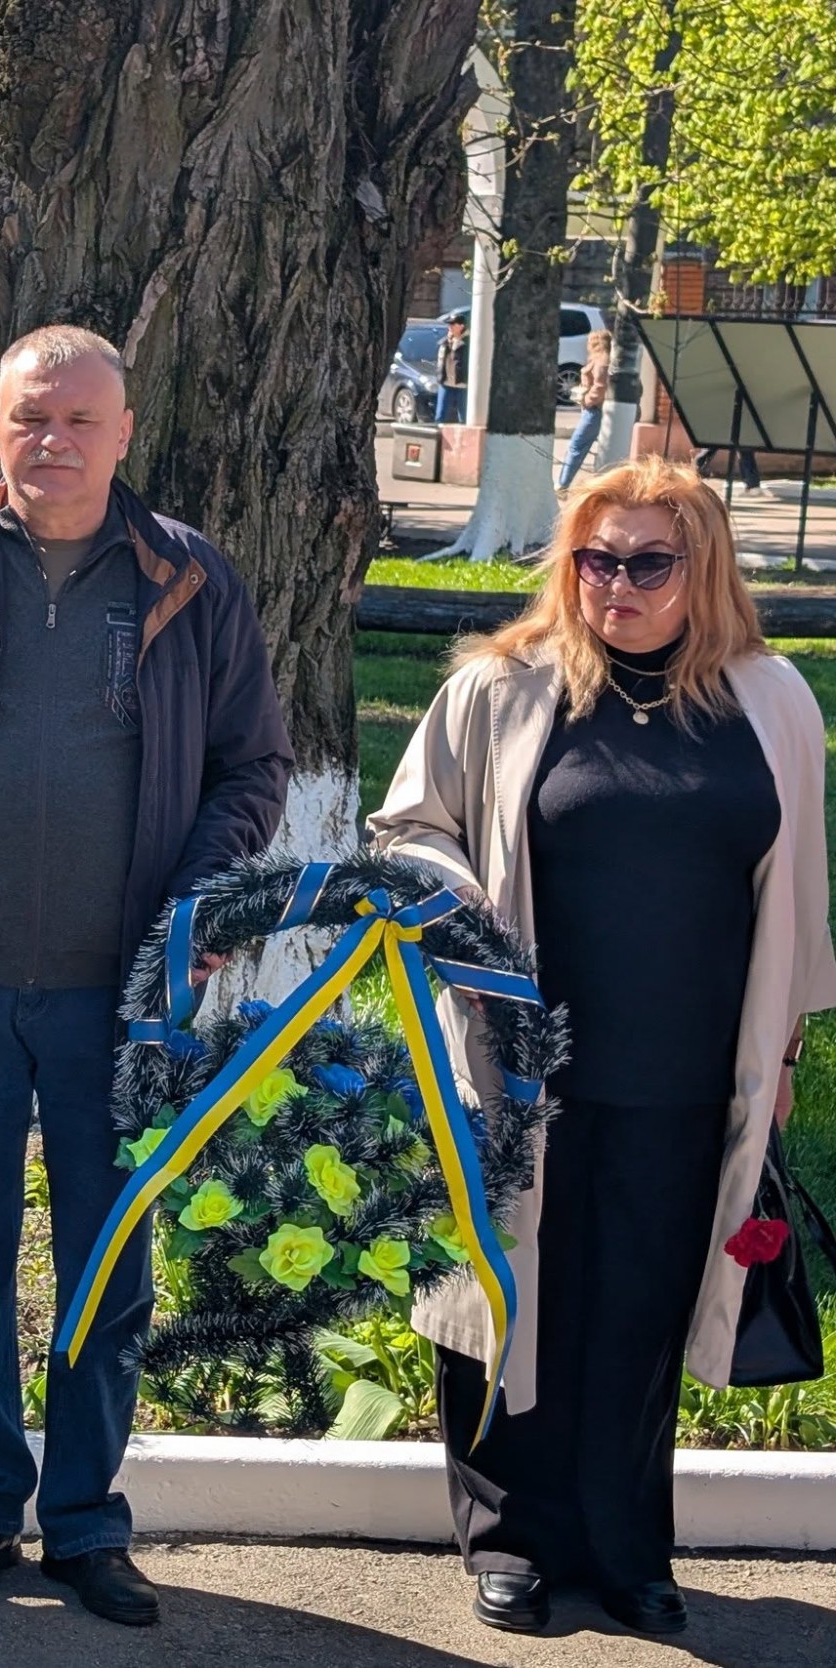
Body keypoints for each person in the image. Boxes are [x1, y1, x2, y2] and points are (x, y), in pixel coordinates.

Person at [0, 325, 292, 1626]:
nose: (55, 442)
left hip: (120, 995)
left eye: (82, 420)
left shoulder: (190, 578)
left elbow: (254, 768)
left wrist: (196, 907)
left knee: (108, 1260)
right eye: (33, 418)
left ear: (126, 432)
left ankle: (85, 1520)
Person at [369, 454, 836, 1637]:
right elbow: (407, 829)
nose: (612, 583)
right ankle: (510, 1541)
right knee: (509, 1293)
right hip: (516, 1062)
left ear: (703, 571)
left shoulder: (771, 700)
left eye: (644, 562)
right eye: (591, 558)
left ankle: (628, 1549)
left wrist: (779, 1054)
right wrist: (455, 916)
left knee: (641, 1303)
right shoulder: (501, 688)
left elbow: (797, 895)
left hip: (689, 1071)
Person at [556, 329, 613, 489]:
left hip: (595, 410)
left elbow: (600, 388)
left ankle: (563, 484)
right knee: (597, 447)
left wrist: (587, 400)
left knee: (577, 445)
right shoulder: (602, 359)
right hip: (596, 410)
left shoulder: (602, 360)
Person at [435, 317, 469, 425]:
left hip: (462, 385)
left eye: (453, 324)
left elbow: (460, 360)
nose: (449, 327)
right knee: (440, 415)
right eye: (449, 325)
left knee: (464, 416)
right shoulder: (445, 342)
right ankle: (439, 439)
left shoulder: (467, 343)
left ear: (461, 326)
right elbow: (441, 361)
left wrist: (455, 342)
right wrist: (449, 342)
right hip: (446, 384)